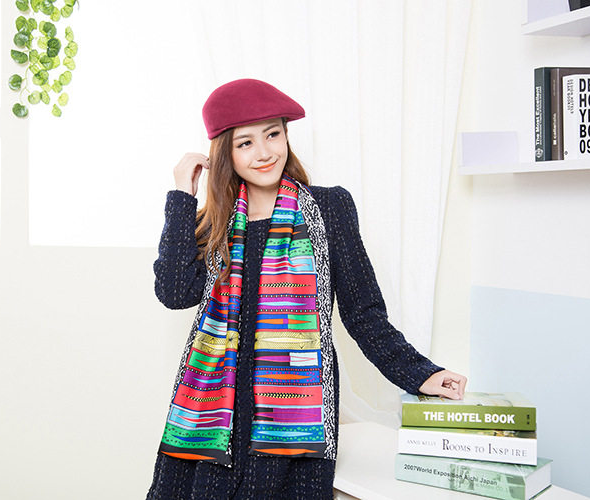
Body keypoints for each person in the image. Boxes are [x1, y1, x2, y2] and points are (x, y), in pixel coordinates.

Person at [147, 78, 467, 499]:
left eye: (273, 134)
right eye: (245, 143)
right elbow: (174, 292)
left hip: (295, 409)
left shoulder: (329, 208)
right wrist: (181, 195)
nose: (264, 152)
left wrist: (422, 373)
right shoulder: (216, 223)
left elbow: (363, 312)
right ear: (225, 153)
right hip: (214, 411)